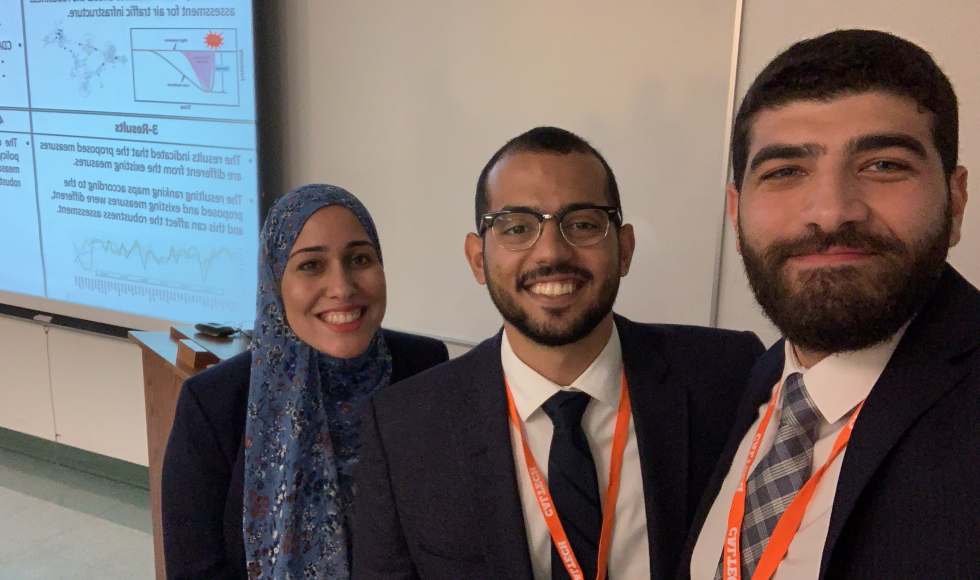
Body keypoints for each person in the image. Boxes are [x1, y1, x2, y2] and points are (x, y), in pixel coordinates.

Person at [352, 126, 764, 580]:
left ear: (624, 249)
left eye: (583, 223)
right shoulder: (403, 427)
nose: (551, 251)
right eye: (516, 227)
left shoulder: (726, 375)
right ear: (477, 259)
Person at [683, 29, 978, 580]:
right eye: (785, 172)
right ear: (736, 212)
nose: (830, 211)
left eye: (883, 165)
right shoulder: (756, 380)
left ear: (956, 200)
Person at [161, 184, 449, 580]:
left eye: (360, 259)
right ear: (274, 282)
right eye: (311, 265)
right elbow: (195, 569)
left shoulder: (424, 368)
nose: (343, 287)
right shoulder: (214, 403)